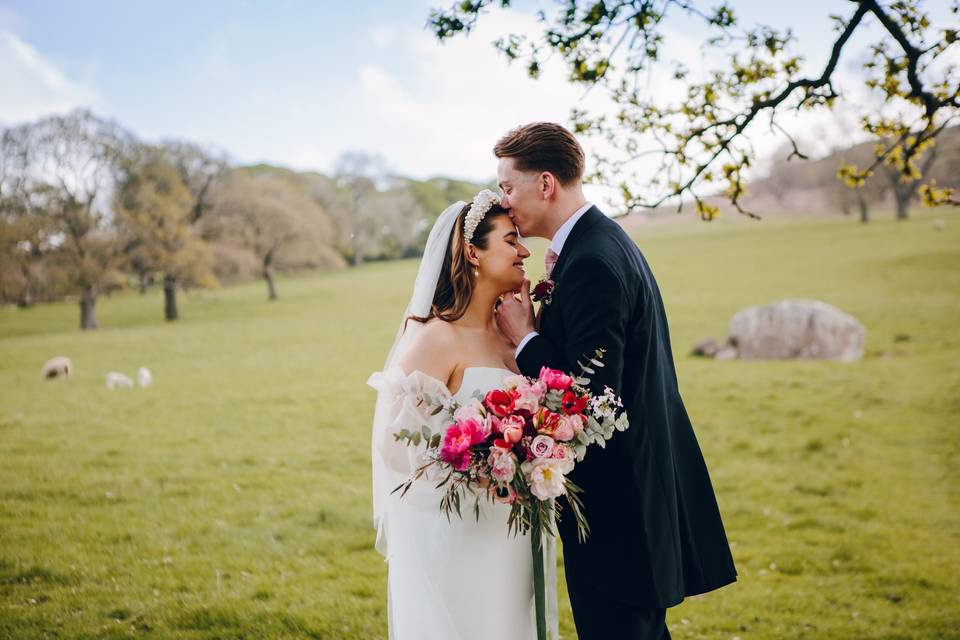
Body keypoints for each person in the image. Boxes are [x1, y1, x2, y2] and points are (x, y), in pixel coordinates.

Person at [494, 122, 738, 639]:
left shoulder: (592, 262)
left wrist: (524, 339)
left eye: (508, 186)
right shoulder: (596, 243)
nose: (504, 200)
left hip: (620, 509)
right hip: (633, 499)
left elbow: (589, 397)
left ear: (545, 183)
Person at [367, 193, 559, 640]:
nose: (524, 251)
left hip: (516, 531)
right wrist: (479, 468)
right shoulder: (438, 338)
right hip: (463, 531)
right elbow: (393, 447)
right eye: (510, 240)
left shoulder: (516, 335)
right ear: (473, 252)